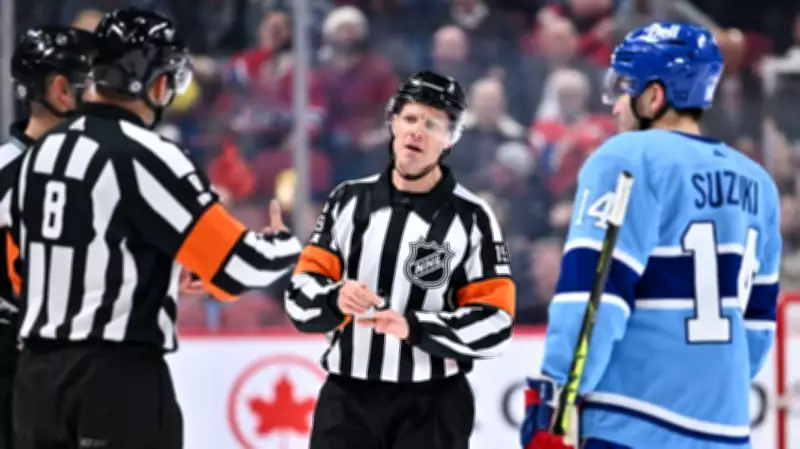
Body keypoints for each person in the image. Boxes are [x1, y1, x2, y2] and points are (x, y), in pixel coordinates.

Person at [9, 8, 302, 449]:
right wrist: (284, 244)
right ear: (159, 84)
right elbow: (236, 267)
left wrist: (151, 271)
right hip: (114, 380)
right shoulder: (147, 155)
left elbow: (29, 261)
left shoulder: (41, 153)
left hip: (35, 381)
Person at [521, 22, 781, 449]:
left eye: (625, 89)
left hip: (631, 422)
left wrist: (555, 401)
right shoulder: (759, 183)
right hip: (726, 430)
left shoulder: (625, 157)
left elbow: (593, 296)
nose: (616, 106)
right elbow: (757, 326)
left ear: (655, 97)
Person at [285, 70, 517, 449]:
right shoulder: (347, 201)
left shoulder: (473, 217)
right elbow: (299, 296)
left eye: (432, 124)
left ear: (450, 139)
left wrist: (414, 327)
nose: (417, 132)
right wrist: (334, 298)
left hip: (433, 406)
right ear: (393, 123)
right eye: (410, 118)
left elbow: (496, 323)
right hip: (347, 403)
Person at [0, 25, 95, 449]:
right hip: (21, 367)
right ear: (61, 91)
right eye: (91, 83)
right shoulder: (10, 171)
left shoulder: (98, 168)